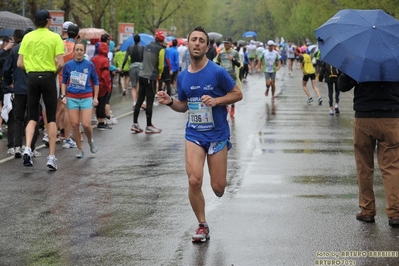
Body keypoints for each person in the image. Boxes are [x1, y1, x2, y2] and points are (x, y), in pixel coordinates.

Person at [157, 26, 243, 242]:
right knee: (194, 180)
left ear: (207, 46)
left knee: (218, 187)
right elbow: (183, 106)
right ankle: (202, 225)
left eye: (201, 40)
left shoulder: (217, 72)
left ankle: (219, 182)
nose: (197, 43)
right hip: (194, 134)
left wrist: (217, 100)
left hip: (217, 135)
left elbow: (237, 94)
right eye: (193, 39)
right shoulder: (183, 77)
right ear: (188, 44)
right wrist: (170, 102)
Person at [338, 73, 399, 228]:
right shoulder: (396, 57)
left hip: (364, 117)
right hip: (391, 117)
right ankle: (395, 213)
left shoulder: (359, 58)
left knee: (364, 166)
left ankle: (367, 210)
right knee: (392, 167)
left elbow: (342, 86)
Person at [17, 9, 65, 170]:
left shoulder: (27, 37)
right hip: (48, 77)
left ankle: (28, 147)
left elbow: (19, 63)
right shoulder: (55, 37)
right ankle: (51, 156)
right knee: (50, 117)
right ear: (48, 21)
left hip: (32, 77)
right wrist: (53, 73)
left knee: (32, 116)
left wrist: (31, 70)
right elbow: (61, 62)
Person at [61, 42, 99, 158]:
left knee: (86, 124)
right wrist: (63, 96)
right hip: (72, 98)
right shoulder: (68, 65)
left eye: (81, 50)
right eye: (77, 50)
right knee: (75, 124)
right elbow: (63, 81)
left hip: (86, 97)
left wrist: (95, 97)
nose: (78, 52)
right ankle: (80, 149)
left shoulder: (89, 65)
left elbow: (96, 81)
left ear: (84, 51)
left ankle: (90, 140)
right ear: (74, 51)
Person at [130, 31, 165, 134]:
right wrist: (159, 74)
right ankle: (149, 126)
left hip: (142, 75)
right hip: (151, 77)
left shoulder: (147, 46)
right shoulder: (161, 49)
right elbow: (161, 66)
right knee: (149, 101)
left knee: (140, 100)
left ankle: (135, 124)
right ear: (162, 40)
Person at [214, 37, 241, 117]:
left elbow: (239, 64)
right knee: (223, 92)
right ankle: (225, 106)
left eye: (227, 43)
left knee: (232, 93)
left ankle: (232, 106)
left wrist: (233, 60)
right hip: (223, 76)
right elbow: (216, 62)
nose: (225, 44)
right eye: (224, 43)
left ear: (231, 44)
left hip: (232, 75)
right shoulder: (221, 53)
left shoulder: (235, 53)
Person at [91, 42, 113, 130]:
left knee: (96, 103)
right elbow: (105, 74)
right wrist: (108, 86)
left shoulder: (94, 59)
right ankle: (101, 122)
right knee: (102, 103)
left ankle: (98, 120)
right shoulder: (105, 60)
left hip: (94, 84)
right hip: (102, 85)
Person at [122, 34, 144, 109]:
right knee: (139, 85)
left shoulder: (129, 48)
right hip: (140, 68)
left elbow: (125, 59)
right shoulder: (142, 48)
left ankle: (134, 102)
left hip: (132, 68)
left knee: (133, 86)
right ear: (139, 40)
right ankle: (139, 101)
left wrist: (122, 67)